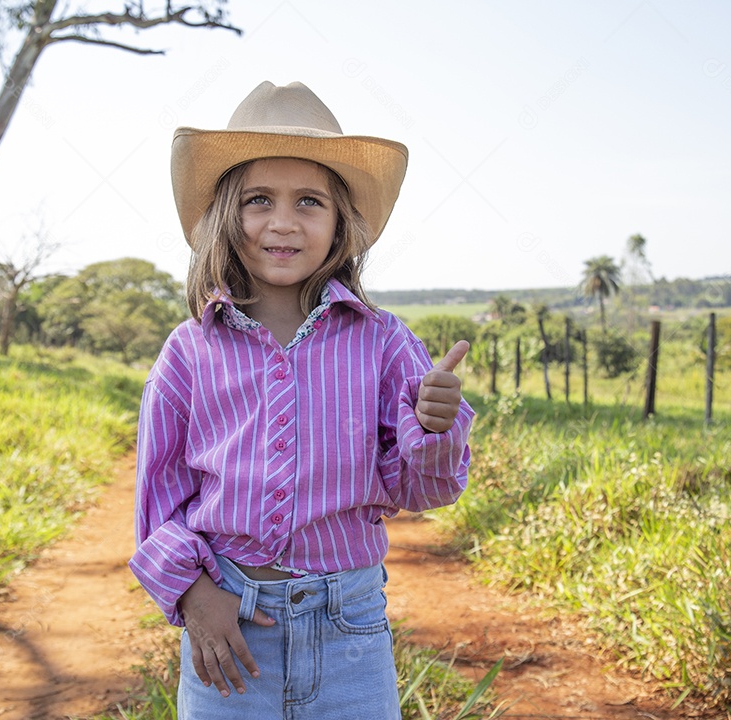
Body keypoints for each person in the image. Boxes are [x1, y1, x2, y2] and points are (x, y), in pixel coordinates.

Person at [129, 81, 474, 719]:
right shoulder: (189, 352)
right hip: (229, 632)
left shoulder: (384, 342)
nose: (282, 223)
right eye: (259, 200)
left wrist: (437, 427)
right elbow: (158, 497)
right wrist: (193, 593)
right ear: (227, 217)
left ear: (342, 223)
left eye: (309, 202)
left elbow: (423, 490)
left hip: (352, 634)